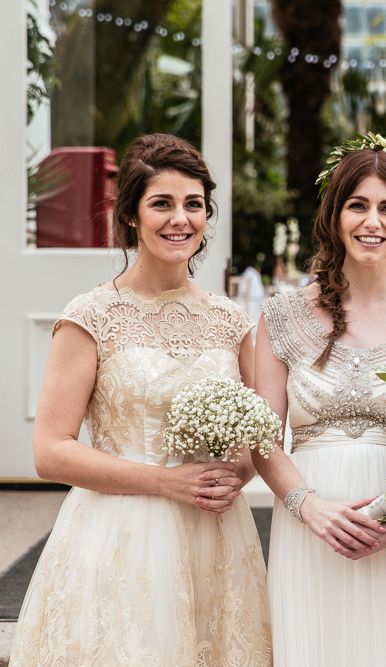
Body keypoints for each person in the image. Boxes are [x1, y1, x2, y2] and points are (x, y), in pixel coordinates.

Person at [10, 133, 272, 666]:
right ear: (131, 214)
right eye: (162, 203)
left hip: (216, 537)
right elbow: (50, 451)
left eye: (194, 204)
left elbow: (261, 433)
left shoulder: (231, 322)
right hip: (120, 539)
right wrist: (164, 481)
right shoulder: (91, 316)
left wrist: (236, 475)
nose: (181, 219)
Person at [254, 134, 386, 667]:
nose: (372, 222)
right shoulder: (280, 317)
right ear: (334, 215)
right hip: (310, 534)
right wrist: (311, 509)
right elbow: (260, 437)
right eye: (358, 205)